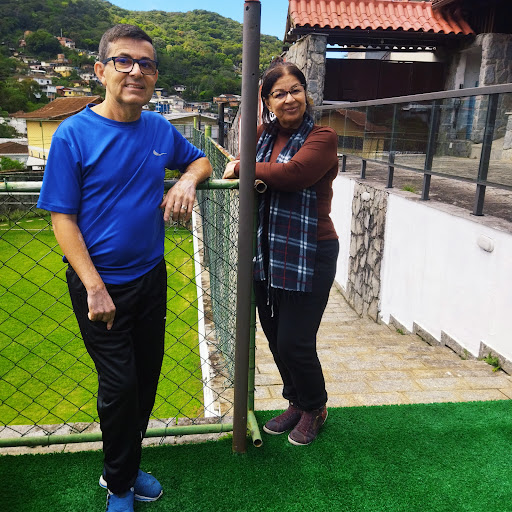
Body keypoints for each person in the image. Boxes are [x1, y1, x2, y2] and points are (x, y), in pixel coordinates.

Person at [37, 24, 212, 511]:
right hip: (99, 286)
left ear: (155, 76)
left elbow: (200, 161)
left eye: (147, 64)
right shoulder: (74, 134)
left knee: (147, 379)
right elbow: (62, 218)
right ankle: (118, 485)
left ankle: (125, 467)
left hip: (150, 279)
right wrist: (94, 287)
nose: (136, 71)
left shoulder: (158, 129)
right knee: (120, 386)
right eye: (124, 61)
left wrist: (186, 182)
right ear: (101, 70)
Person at [223, 59, 339, 446]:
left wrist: (244, 167)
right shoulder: (260, 136)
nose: (289, 99)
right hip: (267, 251)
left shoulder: (322, 137)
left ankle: (316, 407)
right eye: (279, 93)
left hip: (311, 251)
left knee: (295, 341)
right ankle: (297, 402)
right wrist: (249, 164)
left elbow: (294, 175)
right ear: (267, 101)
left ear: (306, 94)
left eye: (295, 90)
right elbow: (260, 170)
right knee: (275, 337)